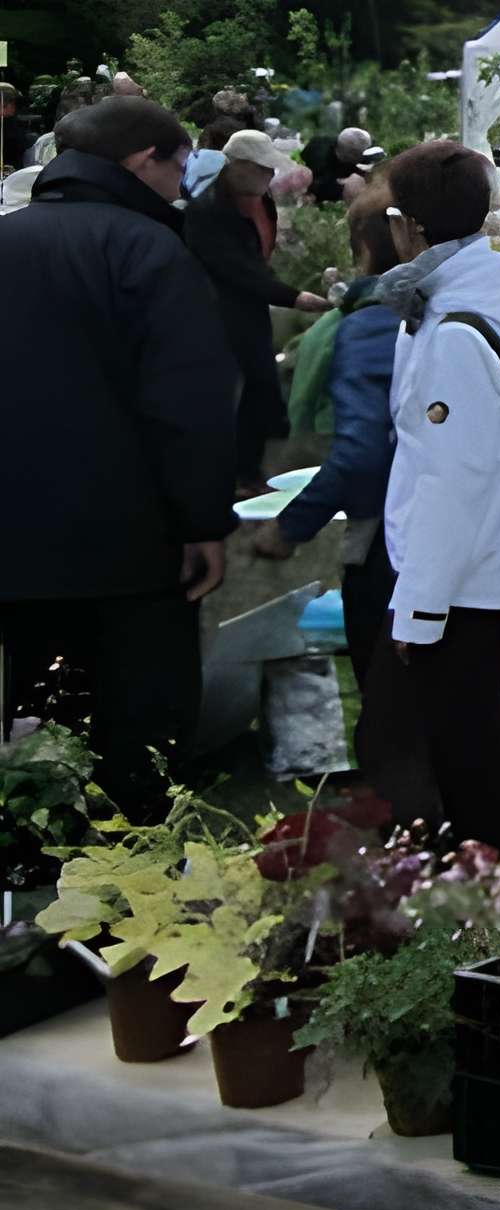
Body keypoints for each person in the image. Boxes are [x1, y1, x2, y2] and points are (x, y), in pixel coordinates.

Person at [0, 96, 238, 819]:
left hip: (15, 535)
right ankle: (133, 864)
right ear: (143, 162)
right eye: (179, 167)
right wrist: (203, 523)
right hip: (130, 543)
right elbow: (187, 403)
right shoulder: (149, 249)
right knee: (137, 718)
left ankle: (38, 854)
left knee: (40, 708)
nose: (181, 184)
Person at [373, 140, 500, 866]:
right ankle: (493, 882)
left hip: (461, 574)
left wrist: (419, 608)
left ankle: (497, 890)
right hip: (470, 562)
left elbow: (453, 480)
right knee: (470, 734)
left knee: (466, 746)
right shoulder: (474, 294)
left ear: (406, 226)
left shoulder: (453, 332)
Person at [249, 187, 433, 820]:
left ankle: (408, 851)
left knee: (389, 707)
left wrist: (290, 527)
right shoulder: (461, 307)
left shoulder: (372, 324)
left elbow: (361, 453)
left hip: (391, 537)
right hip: (468, 531)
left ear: (362, 249)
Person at [182, 129, 329, 489]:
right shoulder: (209, 211)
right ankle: (230, 474)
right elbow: (235, 270)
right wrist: (294, 297)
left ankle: (247, 469)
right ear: (239, 166)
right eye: (263, 169)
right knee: (237, 388)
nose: (270, 177)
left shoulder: (259, 201)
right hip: (220, 308)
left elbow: (257, 258)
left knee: (260, 384)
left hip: (251, 304)